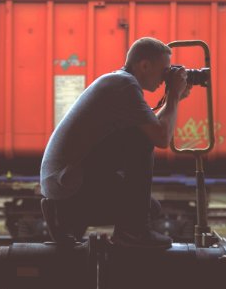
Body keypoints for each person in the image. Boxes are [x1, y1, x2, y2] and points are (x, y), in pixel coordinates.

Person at [40, 37, 191, 249]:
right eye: (164, 71)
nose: (165, 78)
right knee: (141, 141)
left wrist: (173, 98)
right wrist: (173, 96)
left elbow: (153, 126)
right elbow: (160, 137)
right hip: (68, 186)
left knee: (150, 208)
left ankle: (73, 219)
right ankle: (133, 233)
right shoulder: (124, 85)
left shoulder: (118, 82)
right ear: (145, 65)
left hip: (64, 185)